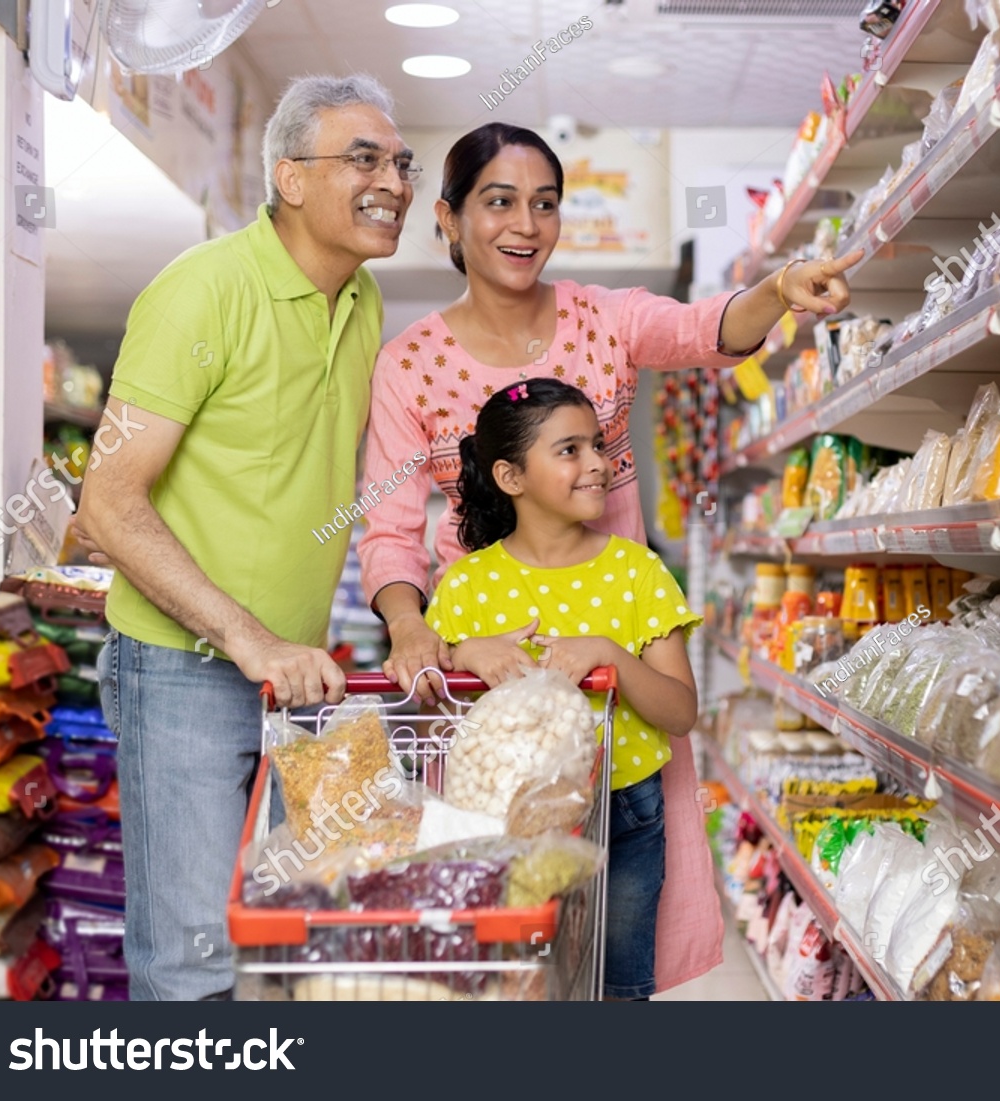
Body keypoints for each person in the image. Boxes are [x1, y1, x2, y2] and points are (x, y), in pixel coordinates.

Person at [357, 120, 860, 992]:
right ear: (448, 218)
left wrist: (778, 286)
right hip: (491, 680)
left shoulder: (605, 318)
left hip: (612, 680)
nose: (525, 224)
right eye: (499, 202)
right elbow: (391, 529)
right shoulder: (410, 365)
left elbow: (709, 328)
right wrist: (414, 628)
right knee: (504, 941)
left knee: (614, 937)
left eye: (544, 204)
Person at [77, 74, 415, 1000]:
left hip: (289, 678)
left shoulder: (364, 302)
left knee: (268, 946)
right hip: (184, 666)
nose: (393, 177)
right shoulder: (204, 290)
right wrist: (247, 634)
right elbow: (107, 501)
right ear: (290, 178)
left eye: (400, 161)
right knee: (189, 962)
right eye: (364, 157)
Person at [426, 379, 700, 1000]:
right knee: (514, 981)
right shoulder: (467, 585)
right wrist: (465, 655)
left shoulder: (636, 570)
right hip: (502, 819)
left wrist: (610, 657)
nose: (599, 464)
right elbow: (426, 704)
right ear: (510, 476)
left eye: (598, 446)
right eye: (570, 450)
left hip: (624, 808)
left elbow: (680, 713)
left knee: (618, 986)